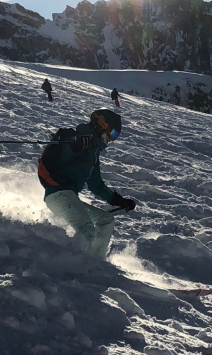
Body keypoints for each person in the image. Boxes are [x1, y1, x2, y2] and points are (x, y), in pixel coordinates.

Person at [37, 109, 137, 260]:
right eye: (114, 133)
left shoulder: (93, 153)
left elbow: (96, 185)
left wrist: (118, 200)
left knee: (106, 220)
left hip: (69, 197)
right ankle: (78, 266)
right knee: (87, 229)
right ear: (103, 126)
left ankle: (96, 260)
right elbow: (65, 152)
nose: (112, 139)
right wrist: (75, 145)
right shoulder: (77, 138)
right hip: (58, 194)